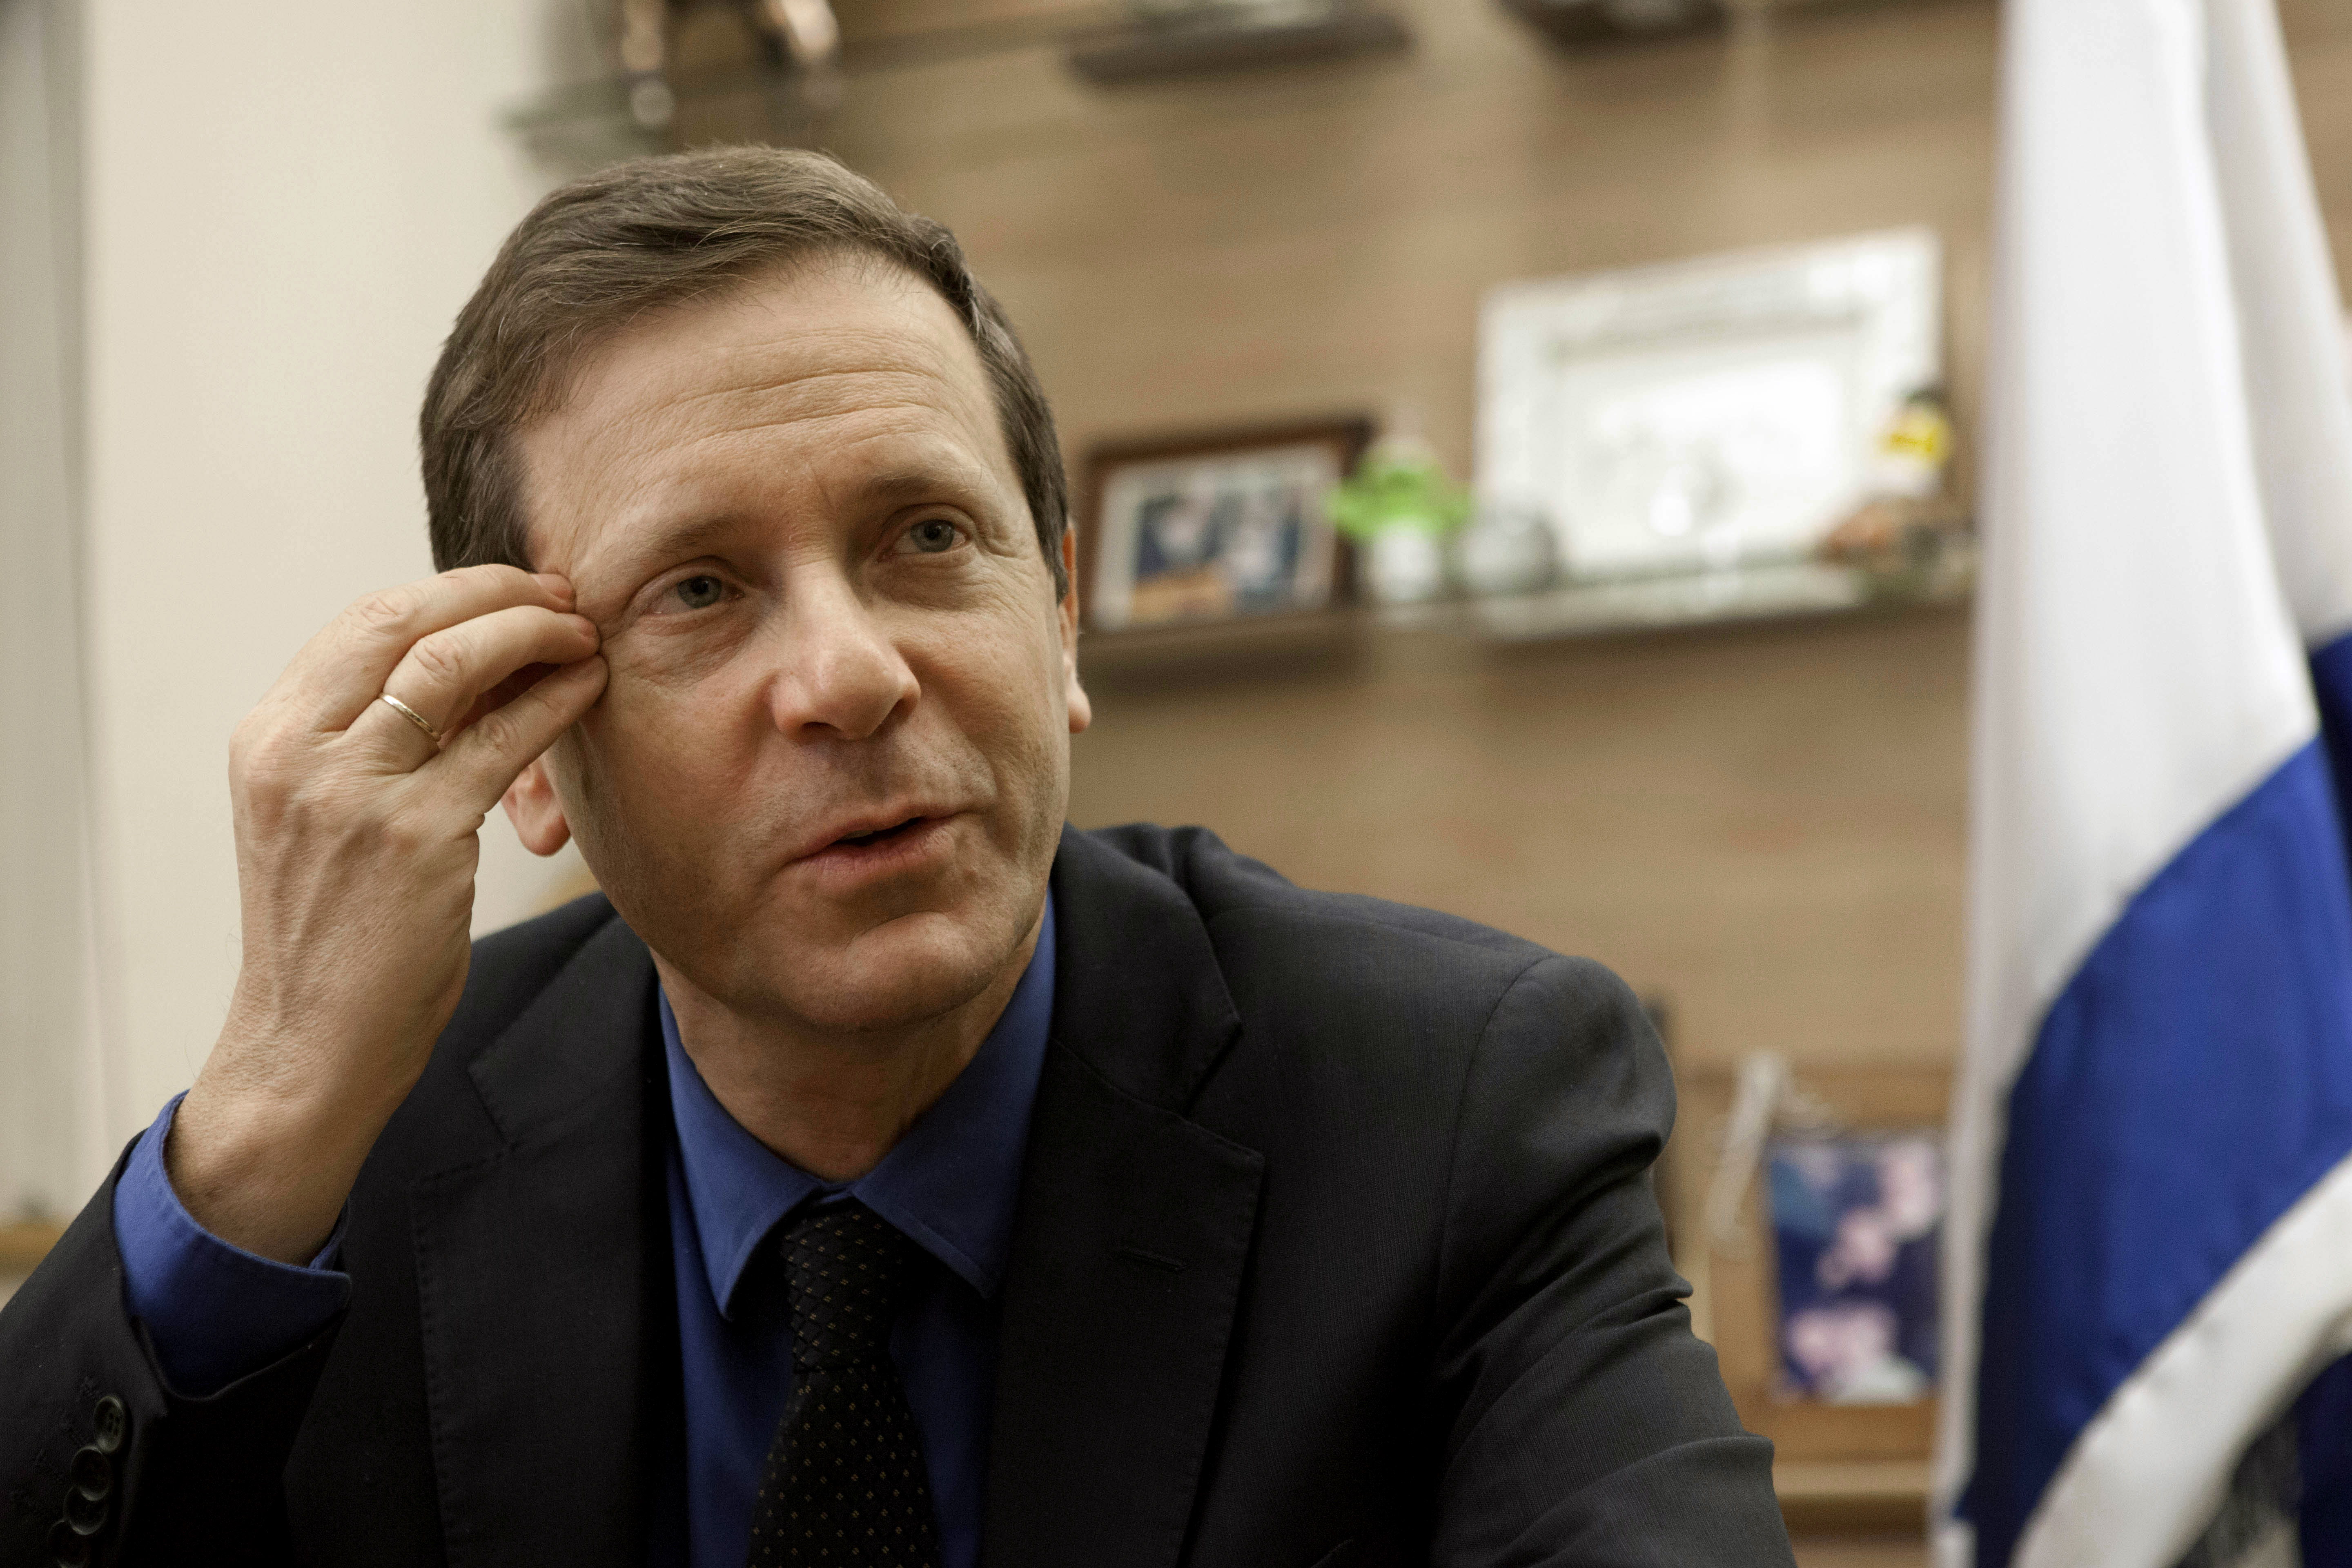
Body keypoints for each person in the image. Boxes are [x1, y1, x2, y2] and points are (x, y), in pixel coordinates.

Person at [0, 148, 1795, 1568]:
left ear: (1066, 617)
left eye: (928, 535)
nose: (855, 673)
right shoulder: (354, 1167)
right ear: (528, 744)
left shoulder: (1460, 1105)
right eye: (700, 587)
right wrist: (254, 1125)